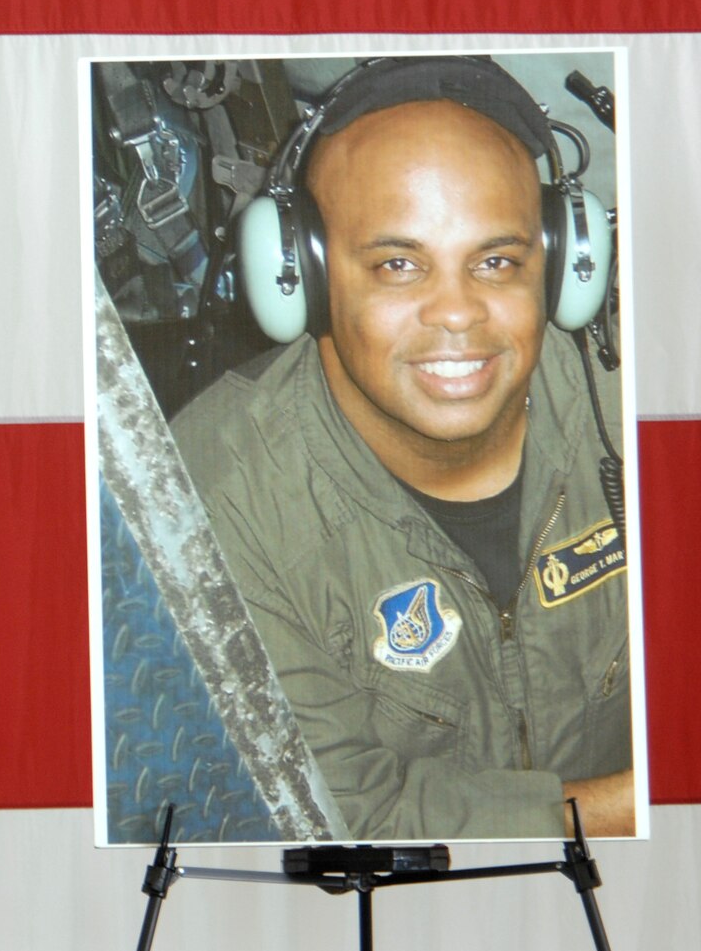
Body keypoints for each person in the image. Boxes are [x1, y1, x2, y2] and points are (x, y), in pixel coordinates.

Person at [171, 58, 632, 841]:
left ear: (559, 266)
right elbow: (344, 816)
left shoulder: (632, 398)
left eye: (496, 261)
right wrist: (643, 803)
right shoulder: (216, 497)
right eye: (397, 265)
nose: (457, 313)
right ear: (300, 278)